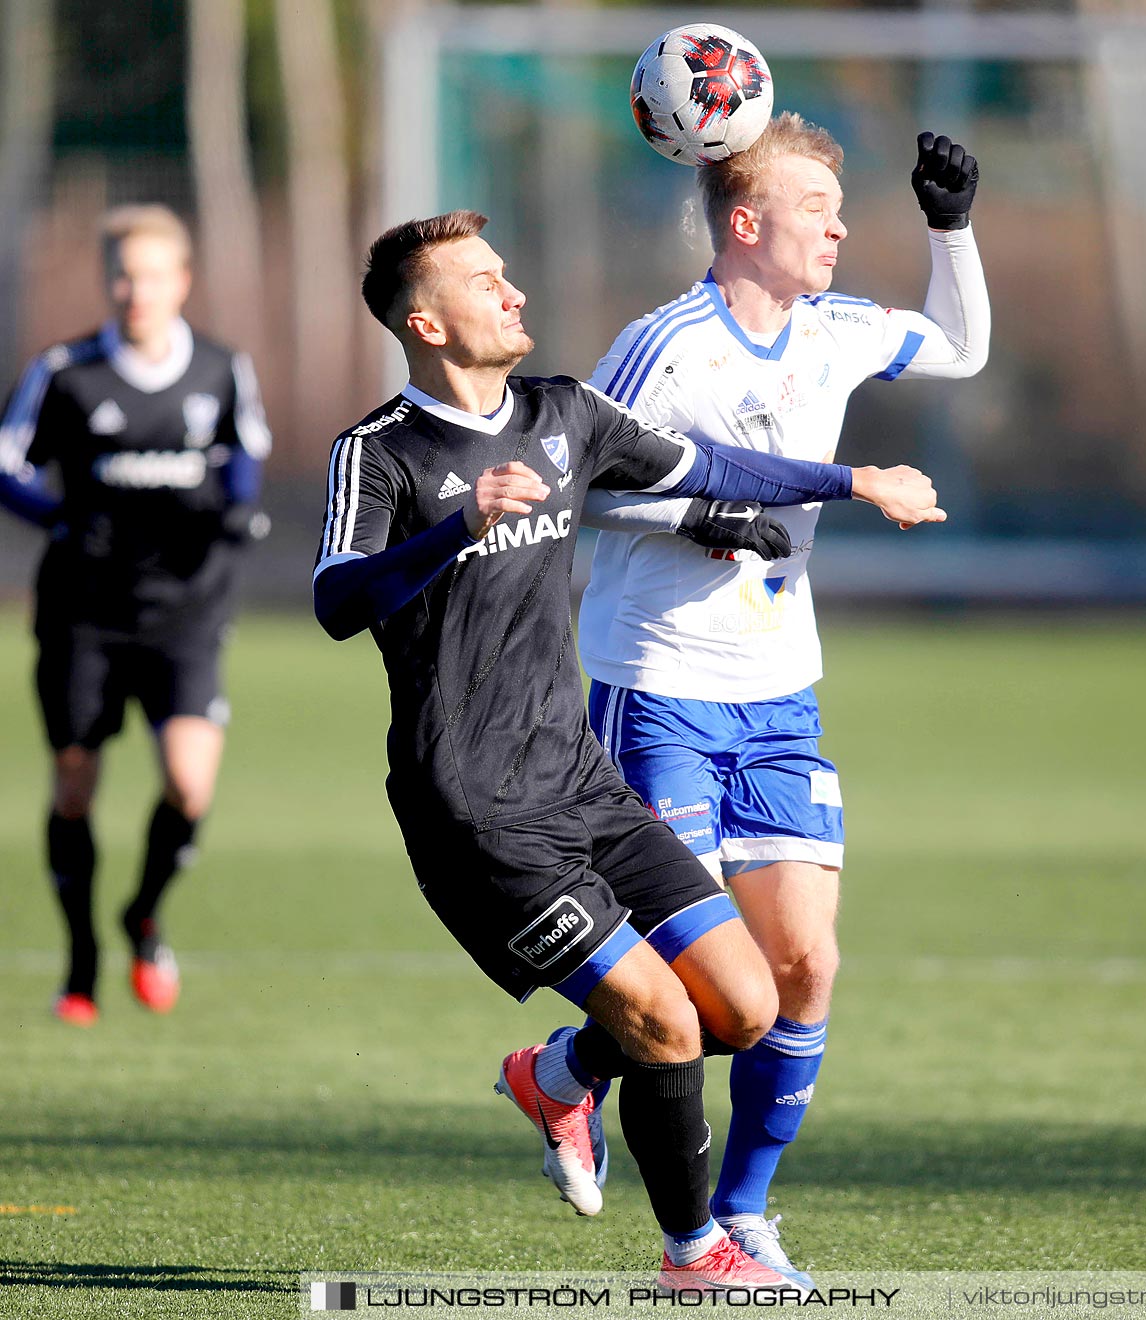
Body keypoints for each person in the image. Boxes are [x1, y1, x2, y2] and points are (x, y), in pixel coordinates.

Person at [313, 210, 943, 1291]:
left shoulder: (563, 413)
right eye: (481, 282)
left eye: (506, 272)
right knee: (659, 1019)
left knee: (744, 1008)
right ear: (426, 321)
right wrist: (452, 530)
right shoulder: (380, 454)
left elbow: (710, 464)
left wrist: (853, 482)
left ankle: (556, 1079)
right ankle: (696, 1254)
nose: (511, 292)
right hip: (476, 813)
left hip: (582, 785)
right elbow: (334, 599)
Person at [576, 118, 988, 1282]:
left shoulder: (839, 332)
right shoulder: (666, 344)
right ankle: (625, 1154)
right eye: (817, 206)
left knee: (803, 967)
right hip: (656, 689)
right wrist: (698, 513)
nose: (841, 227)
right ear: (746, 225)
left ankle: (735, 1207)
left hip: (780, 697)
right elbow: (582, 481)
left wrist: (951, 229)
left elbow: (959, 347)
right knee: (708, 981)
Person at [0, 204, 271, 1025]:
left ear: (182, 282)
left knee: (188, 788)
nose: (135, 290)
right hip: (83, 612)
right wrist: (56, 519)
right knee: (75, 786)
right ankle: (81, 957)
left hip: (186, 611)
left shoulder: (222, 369)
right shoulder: (66, 371)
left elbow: (245, 458)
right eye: (122, 274)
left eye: (152, 275)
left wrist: (235, 512)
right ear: (106, 280)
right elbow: (6, 464)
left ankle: (143, 915)